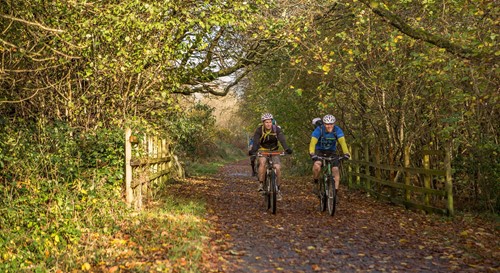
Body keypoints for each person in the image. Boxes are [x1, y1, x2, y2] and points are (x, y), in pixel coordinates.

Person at [249, 113, 293, 198]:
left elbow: (282, 140)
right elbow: (256, 142)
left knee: (277, 167)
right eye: (266, 122)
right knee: (262, 163)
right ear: (263, 123)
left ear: (272, 122)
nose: (268, 124)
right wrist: (253, 150)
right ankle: (261, 184)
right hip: (263, 149)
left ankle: (278, 188)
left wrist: (287, 149)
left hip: (274, 150)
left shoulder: (276, 129)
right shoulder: (259, 130)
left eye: (270, 122)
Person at [309, 114, 350, 196]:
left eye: (331, 124)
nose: (329, 126)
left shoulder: (337, 130)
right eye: (327, 124)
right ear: (324, 124)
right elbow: (313, 142)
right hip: (319, 151)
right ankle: (316, 182)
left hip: (331, 152)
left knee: (335, 170)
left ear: (334, 124)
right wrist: (312, 153)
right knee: (317, 166)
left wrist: (346, 153)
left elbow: (342, 142)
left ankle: (335, 193)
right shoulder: (319, 130)